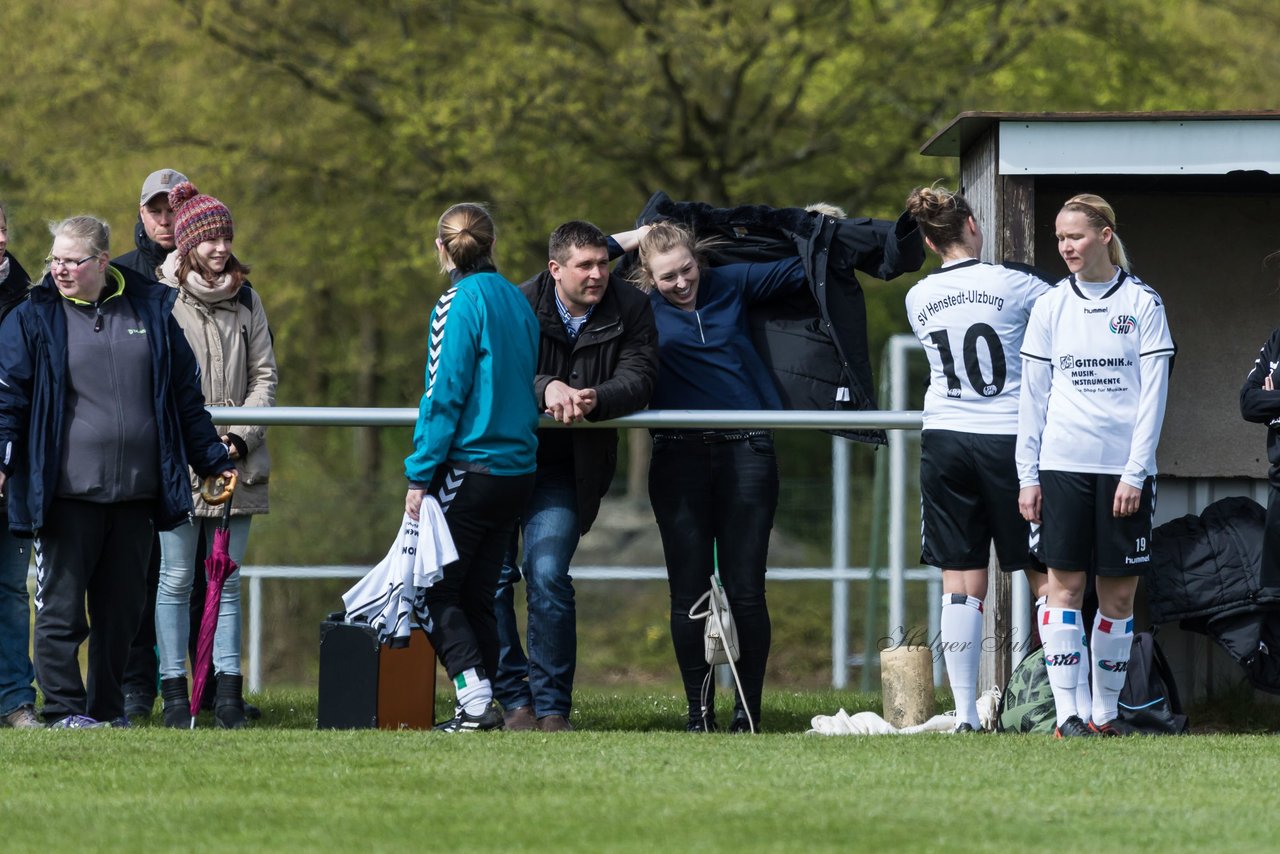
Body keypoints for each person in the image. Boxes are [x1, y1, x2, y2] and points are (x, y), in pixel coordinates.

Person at [0, 215, 234, 729]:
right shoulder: (32, 317)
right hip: (66, 495)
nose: (59, 270)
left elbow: (184, 398)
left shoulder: (150, 309)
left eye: (72, 261)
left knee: (122, 617)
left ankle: (107, 713)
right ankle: (63, 710)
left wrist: (212, 461)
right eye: (54, 260)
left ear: (102, 262)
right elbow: (8, 399)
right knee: (61, 615)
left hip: (135, 496)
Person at [1016, 193, 1175, 737]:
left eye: (1076, 236)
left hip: (1123, 471)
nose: (1066, 247)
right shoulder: (1050, 306)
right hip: (1062, 465)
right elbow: (1032, 398)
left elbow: (1153, 396)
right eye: (1060, 238)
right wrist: (1027, 475)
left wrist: (1136, 470)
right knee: (1062, 588)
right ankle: (1068, 715)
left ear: (1105, 235)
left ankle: (1105, 713)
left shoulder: (1143, 304)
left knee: (1120, 594)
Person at [493, 221, 658, 732]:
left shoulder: (632, 307)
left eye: (602, 263)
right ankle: (511, 700)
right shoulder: (516, 304)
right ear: (554, 269)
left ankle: (551, 709)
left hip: (568, 468)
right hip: (499, 461)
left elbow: (642, 375)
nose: (597, 274)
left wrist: (597, 399)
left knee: (546, 574)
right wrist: (546, 388)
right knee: (494, 580)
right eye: (585, 265)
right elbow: (497, 369)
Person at [903, 185, 1053, 733]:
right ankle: (1054, 707)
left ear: (927, 240)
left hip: (945, 437)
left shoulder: (917, 297)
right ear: (972, 224)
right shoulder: (1017, 283)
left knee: (960, 581)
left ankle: (966, 715)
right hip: (1008, 439)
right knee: (1043, 574)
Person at [404, 203, 539, 732]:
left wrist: (421, 472)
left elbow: (444, 394)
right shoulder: (517, 300)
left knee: (429, 589)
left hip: (473, 468)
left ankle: (473, 696)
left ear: (442, 249)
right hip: (517, 470)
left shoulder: (456, 304)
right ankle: (493, 703)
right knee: (480, 593)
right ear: (492, 244)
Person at [153, 183, 278, 728]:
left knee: (225, 578)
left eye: (226, 236)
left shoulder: (248, 299)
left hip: (237, 460)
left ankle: (228, 692)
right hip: (180, 460)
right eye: (210, 239)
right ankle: (176, 692)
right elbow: (156, 381)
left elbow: (265, 377)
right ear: (186, 247)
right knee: (176, 580)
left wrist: (238, 438)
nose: (221, 247)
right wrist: (196, 442)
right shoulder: (162, 302)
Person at [115, 167, 188, 721]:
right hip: (139, 448)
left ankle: (202, 685)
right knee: (138, 574)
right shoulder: (116, 278)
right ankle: (136, 686)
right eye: (156, 209)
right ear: (141, 213)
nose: (166, 219)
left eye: (175, 207)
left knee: (203, 575)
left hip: (201, 447)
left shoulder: (230, 277)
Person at [0, 203, 39, 729]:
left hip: (15, 469)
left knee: (10, 589)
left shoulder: (31, 303)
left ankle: (13, 700)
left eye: (1, 227)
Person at [115, 168, 188, 281]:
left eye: (173, 211)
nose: (164, 221)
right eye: (155, 212)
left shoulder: (217, 270)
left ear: (192, 211)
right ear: (142, 213)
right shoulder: (118, 275)